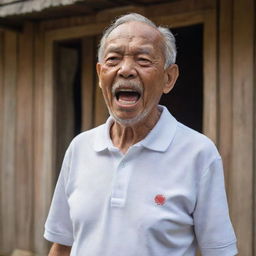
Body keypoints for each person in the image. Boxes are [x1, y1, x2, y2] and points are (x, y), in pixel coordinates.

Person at [44, 13, 238, 256]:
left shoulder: (199, 153)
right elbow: (62, 245)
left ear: (168, 78)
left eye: (143, 60)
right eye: (113, 59)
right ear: (100, 74)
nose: (126, 70)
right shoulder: (80, 148)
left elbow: (218, 252)